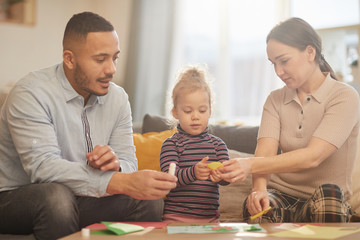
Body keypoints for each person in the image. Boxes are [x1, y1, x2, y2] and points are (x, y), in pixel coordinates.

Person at [0, 11, 177, 240]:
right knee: (56, 198)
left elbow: (129, 162)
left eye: (115, 57)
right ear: (69, 59)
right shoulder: (30, 94)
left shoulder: (118, 98)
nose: (111, 69)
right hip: (15, 198)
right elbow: (43, 167)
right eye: (100, 59)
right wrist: (117, 181)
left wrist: (116, 166)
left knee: (147, 200)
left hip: (78, 196)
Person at [218, 17, 360, 223]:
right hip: (282, 193)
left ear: (310, 52)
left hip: (326, 195)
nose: (278, 71)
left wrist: (248, 164)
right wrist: (258, 191)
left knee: (329, 199)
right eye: (273, 63)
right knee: (258, 210)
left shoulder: (344, 96)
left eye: (283, 61)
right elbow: (264, 153)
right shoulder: (275, 99)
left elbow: (313, 156)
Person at [160, 65, 230, 223]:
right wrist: (193, 173)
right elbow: (170, 179)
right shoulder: (171, 145)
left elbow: (227, 179)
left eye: (202, 110)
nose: (195, 117)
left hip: (210, 220)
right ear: (175, 112)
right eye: (188, 111)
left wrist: (221, 176)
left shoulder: (218, 145)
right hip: (175, 218)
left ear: (210, 111)